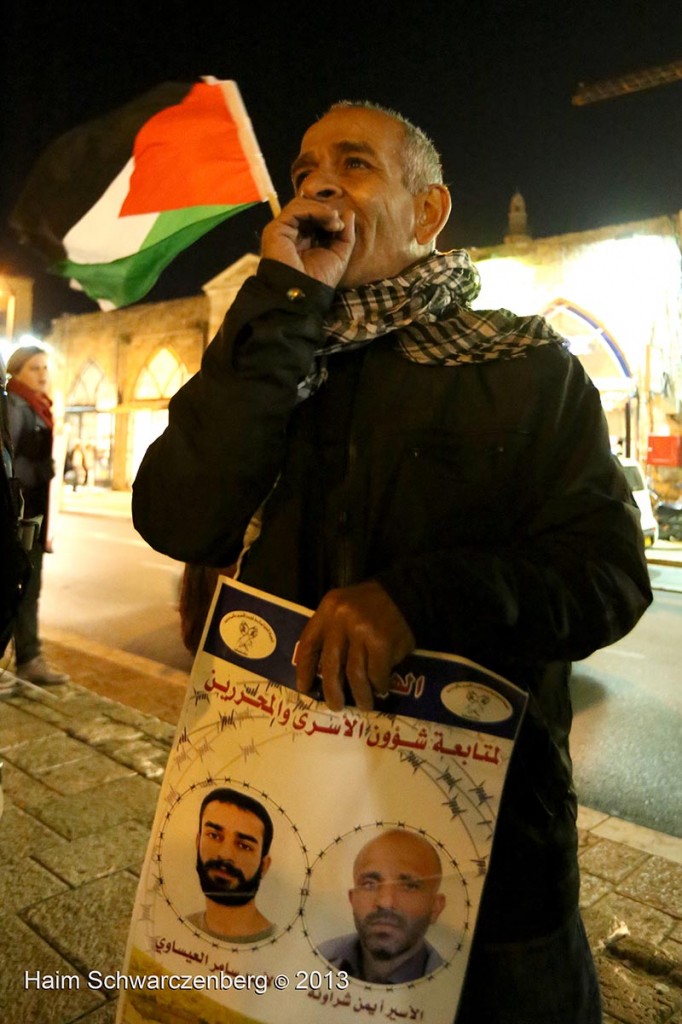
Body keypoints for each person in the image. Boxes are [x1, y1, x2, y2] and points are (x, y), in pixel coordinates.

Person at [132, 101, 652, 1021]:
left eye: (356, 163)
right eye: (303, 171)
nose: (319, 181)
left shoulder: (525, 369)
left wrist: (421, 599)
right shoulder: (272, 358)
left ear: (428, 212)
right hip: (290, 830)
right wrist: (283, 302)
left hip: (491, 877)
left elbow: (608, 574)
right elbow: (177, 513)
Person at [6, 345, 69, 685]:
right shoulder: (15, 406)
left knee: (30, 587)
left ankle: (30, 658)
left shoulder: (38, 407)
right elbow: (9, 463)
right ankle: (27, 658)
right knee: (17, 586)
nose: (42, 374)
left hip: (33, 514)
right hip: (18, 514)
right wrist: (44, 469)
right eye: (34, 368)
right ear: (16, 372)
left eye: (45, 367)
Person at [319, 829, 446, 983]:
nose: (385, 902)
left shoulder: (453, 985)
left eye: (409, 886)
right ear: (352, 899)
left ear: (435, 907)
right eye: (369, 884)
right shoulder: (314, 962)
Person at [187, 786, 276, 942]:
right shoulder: (182, 927)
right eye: (214, 836)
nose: (225, 854)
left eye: (243, 846)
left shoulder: (277, 943)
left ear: (264, 865)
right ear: (197, 841)